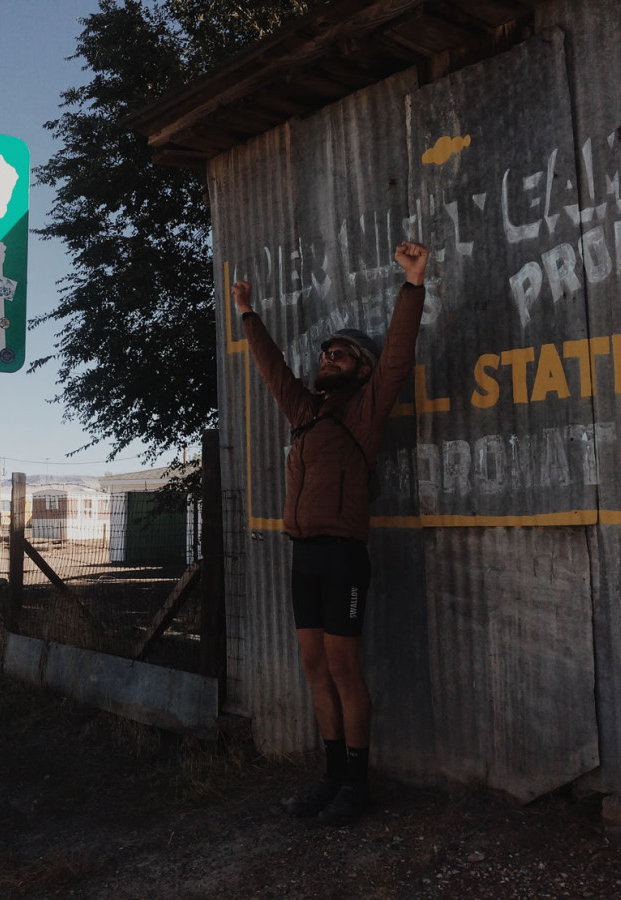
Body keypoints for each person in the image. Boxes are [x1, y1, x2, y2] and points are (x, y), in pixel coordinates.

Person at [231, 240, 429, 827]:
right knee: (314, 669)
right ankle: (331, 775)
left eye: (342, 354)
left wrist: (412, 284)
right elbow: (272, 370)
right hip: (304, 557)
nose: (330, 356)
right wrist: (247, 312)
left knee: (344, 671)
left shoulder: (365, 412)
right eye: (327, 352)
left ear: (360, 370)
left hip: (344, 558)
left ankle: (356, 784)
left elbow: (396, 356)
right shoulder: (305, 412)